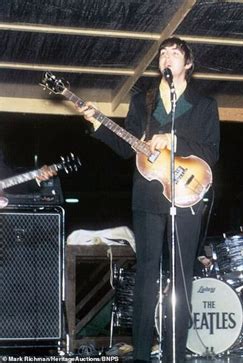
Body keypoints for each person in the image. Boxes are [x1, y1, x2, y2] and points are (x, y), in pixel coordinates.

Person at [77, 37, 220, 362]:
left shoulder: (205, 105)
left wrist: (176, 139)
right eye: (163, 53)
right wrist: (99, 125)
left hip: (186, 196)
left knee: (182, 280)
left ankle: (175, 355)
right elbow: (127, 147)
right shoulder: (143, 101)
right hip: (147, 198)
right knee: (146, 275)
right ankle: (141, 354)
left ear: (187, 64)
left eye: (174, 53)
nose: (166, 57)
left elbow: (211, 152)